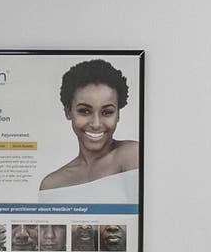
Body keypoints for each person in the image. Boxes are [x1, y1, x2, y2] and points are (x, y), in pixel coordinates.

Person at [38, 58, 143, 195]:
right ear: (68, 112)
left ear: (118, 115)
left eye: (107, 112)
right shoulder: (51, 185)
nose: (96, 124)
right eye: (84, 111)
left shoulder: (132, 154)